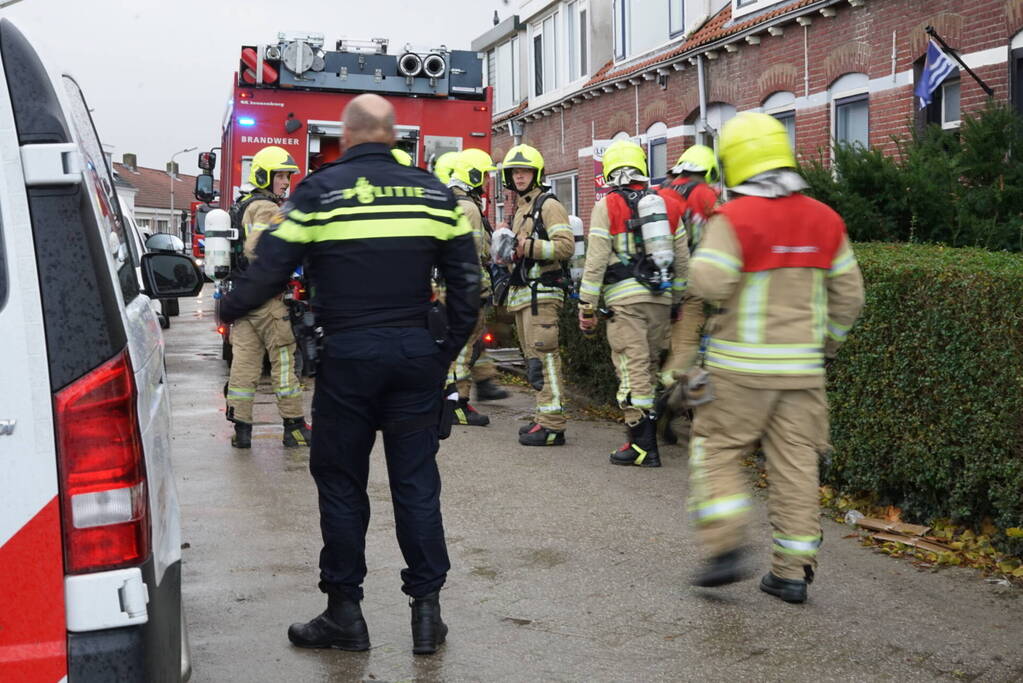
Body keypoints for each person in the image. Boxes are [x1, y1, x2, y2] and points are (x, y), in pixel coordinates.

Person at [218, 94, 480, 653]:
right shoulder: (434, 192)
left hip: (349, 359)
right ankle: (427, 616)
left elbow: (268, 271)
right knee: (415, 486)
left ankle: (345, 615)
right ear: (394, 136)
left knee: (341, 485)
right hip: (415, 356)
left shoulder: (319, 191)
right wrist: (440, 354)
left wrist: (227, 307)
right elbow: (468, 285)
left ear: (347, 135)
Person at [686, 112, 864, 603]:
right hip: (802, 372)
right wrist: (824, 344)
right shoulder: (825, 219)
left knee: (716, 450)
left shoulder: (736, 217)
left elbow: (711, 281)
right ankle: (790, 573)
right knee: (796, 466)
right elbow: (850, 297)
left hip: (738, 370)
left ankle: (724, 549)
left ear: (734, 162)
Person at [577, 139, 688, 467]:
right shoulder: (665, 203)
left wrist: (586, 304)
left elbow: (596, 259)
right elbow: (682, 258)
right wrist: (676, 299)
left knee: (630, 367)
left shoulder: (607, 205)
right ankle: (645, 441)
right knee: (649, 366)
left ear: (610, 170)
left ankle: (641, 444)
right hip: (659, 299)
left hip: (625, 303)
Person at [223, 145, 310, 449]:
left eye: (288, 176)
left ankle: (242, 429)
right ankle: (294, 426)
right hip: (269, 302)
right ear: (264, 175)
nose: (286, 182)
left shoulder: (242, 205)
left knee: (244, 364)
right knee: (285, 361)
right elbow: (259, 249)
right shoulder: (267, 208)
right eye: (281, 176)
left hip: (245, 298)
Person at [500, 144, 575, 446]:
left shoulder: (548, 204)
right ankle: (543, 416)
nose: (519, 176)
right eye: (515, 171)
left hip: (542, 294)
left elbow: (565, 246)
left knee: (544, 358)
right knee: (533, 361)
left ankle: (553, 425)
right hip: (524, 295)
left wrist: (527, 246)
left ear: (537, 174)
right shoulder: (520, 208)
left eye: (525, 171)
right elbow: (517, 250)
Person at [657, 145, 722, 445]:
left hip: (656, 284)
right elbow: (712, 242)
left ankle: (656, 408)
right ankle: (666, 402)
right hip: (691, 285)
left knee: (666, 347)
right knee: (686, 350)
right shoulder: (704, 194)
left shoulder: (662, 191)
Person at [443, 148, 502, 426]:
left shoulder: (450, 202)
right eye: (485, 176)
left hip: (449, 288)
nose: (487, 182)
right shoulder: (468, 208)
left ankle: (450, 400)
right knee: (466, 349)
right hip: (468, 290)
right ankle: (458, 404)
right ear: (474, 175)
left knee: (459, 347)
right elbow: (475, 254)